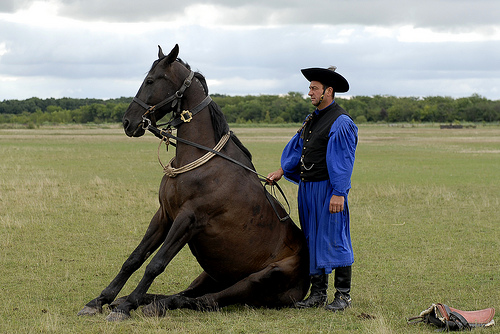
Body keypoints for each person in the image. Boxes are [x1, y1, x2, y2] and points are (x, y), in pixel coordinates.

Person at [267, 66, 358, 312]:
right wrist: (283, 170)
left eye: (314, 88)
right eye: (309, 88)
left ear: (328, 91)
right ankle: (317, 294)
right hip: (308, 190)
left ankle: (343, 296)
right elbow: (300, 148)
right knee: (312, 239)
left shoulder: (341, 122)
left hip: (328, 190)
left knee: (335, 238)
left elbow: (342, 160)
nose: (309, 93)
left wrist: (339, 192)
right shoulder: (312, 119)